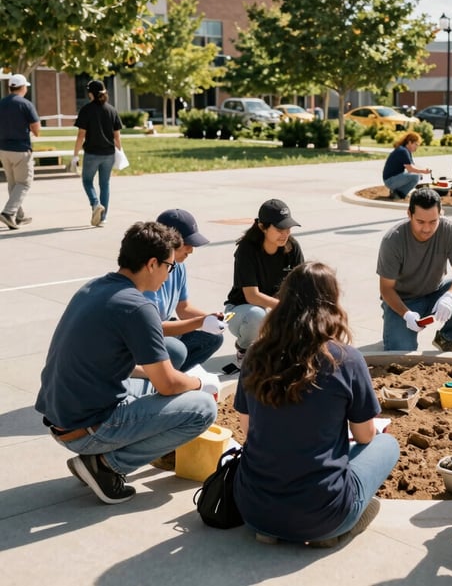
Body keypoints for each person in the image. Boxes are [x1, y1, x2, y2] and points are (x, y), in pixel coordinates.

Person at [35, 221, 219, 505]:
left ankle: (100, 456)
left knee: (169, 361)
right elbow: (168, 384)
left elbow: (112, 359)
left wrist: (196, 324)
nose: (170, 274)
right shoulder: (138, 307)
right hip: (86, 428)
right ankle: (107, 465)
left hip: (63, 415)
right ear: (152, 264)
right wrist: (201, 383)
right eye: (170, 267)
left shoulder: (97, 287)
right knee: (202, 408)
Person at [233, 261, 399, 546]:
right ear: (332, 304)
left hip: (253, 508)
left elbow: (247, 432)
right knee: (388, 445)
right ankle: (333, 529)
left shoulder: (256, 354)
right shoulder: (345, 358)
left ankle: (272, 530)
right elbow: (364, 435)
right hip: (324, 510)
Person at [377, 187, 452, 352]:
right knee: (401, 352)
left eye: (433, 221)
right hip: (404, 301)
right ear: (409, 214)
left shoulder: (449, 230)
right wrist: (406, 314)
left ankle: (446, 338)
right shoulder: (393, 240)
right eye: (420, 222)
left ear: (441, 213)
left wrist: (449, 296)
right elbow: (386, 289)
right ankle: (394, 322)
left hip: (435, 294)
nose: (427, 229)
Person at [225, 199, 305, 367]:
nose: (285, 234)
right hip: (241, 310)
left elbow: (301, 285)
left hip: (274, 306)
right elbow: (252, 296)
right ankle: (244, 350)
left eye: (288, 228)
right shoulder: (246, 250)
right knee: (257, 315)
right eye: (279, 229)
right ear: (262, 227)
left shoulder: (293, 247)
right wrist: (284, 308)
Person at [143, 209, 225, 372]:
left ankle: (175, 374)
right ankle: (161, 379)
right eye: (187, 245)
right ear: (168, 242)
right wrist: (201, 322)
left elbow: (184, 308)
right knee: (175, 349)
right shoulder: (149, 272)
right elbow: (151, 328)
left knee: (213, 337)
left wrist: (211, 318)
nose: (191, 251)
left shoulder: (179, 267)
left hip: (164, 328)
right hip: (147, 335)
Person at [73, 79, 123, 227]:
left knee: (87, 181)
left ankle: (95, 204)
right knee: (105, 184)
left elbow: (81, 135)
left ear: (90, 94)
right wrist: (119, 151)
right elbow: (117, 136)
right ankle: (103, 218)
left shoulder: (86, 110)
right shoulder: (112, 110)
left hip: (92, 153)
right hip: (108, 154)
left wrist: (75, 154)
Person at [0, 73, 40, 229]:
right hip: (21, 149)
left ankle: (19, 217)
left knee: (13, 184)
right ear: (23, 87)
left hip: (3, 150)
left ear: (10, 87)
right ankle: (8, 213)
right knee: (24, 183)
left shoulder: (1, 103)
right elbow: (36, 130)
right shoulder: (26, 104)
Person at [381, 131, 431, 199]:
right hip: (390, 181)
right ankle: (399, 194)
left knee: (417, 175)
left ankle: (396, 192)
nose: (417, 147)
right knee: (416, 176)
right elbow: (410, 169)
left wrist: (423, 170)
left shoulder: (406, 151)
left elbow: (413, 166)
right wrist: (423, 171)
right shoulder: (403, 151)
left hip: (391, 179)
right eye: (416, 144)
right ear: (410, 142)